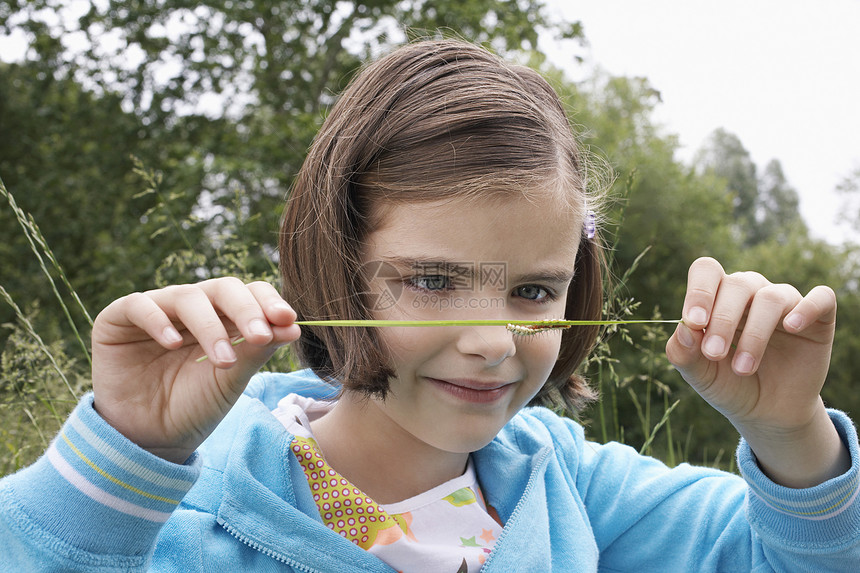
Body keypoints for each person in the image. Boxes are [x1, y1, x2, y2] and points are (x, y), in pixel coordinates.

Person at [1, 39, 857, 572]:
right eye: (433, 280)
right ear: (337, 270)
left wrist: (789, 433)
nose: (493, 340)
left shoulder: (570, 488)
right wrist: (129, 453)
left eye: (533, 289)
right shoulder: (189, 512)